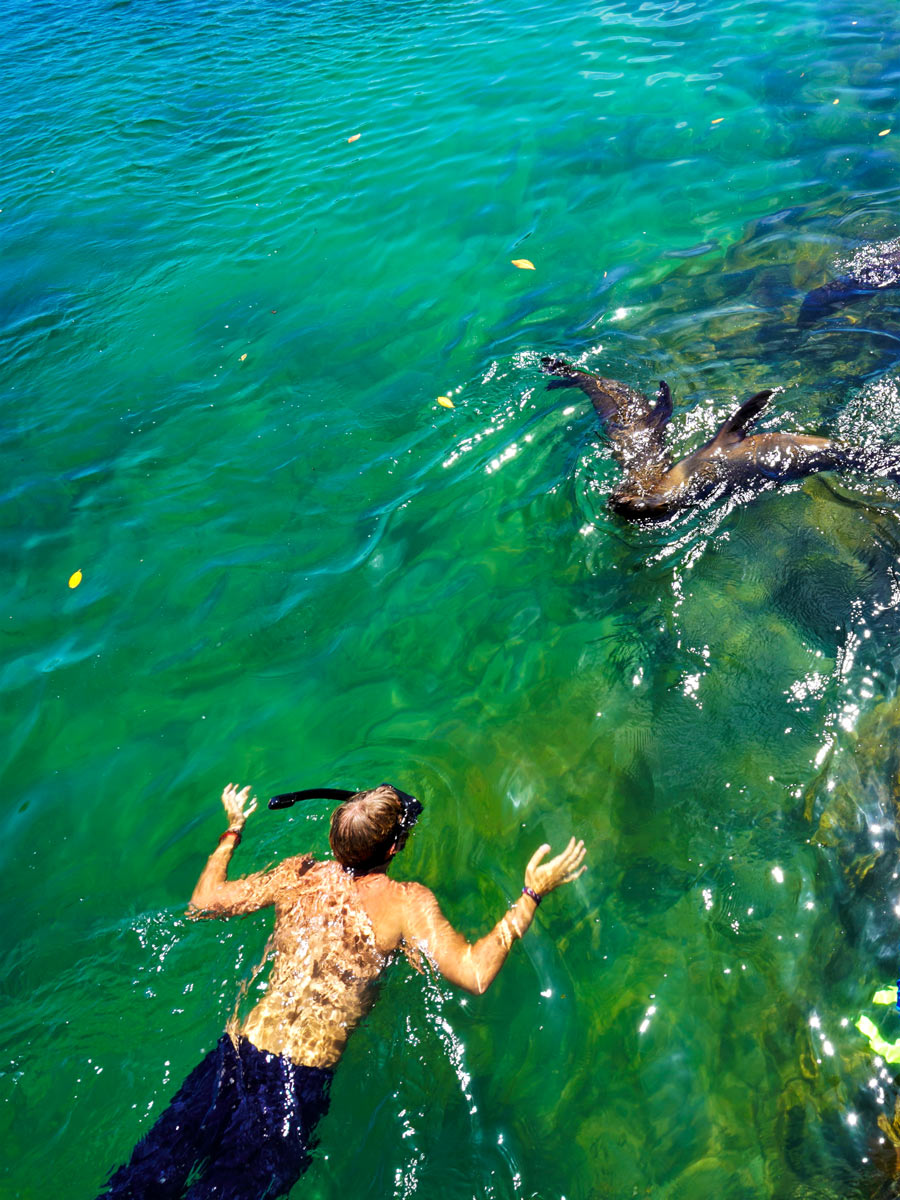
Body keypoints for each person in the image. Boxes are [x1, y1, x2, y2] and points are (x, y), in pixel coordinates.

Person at [98, 782, 587, 1199]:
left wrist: (232, 830)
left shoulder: (299, 874)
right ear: (393, 849)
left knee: (141, 1181)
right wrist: (530, 895)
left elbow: (203, 902)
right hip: (296, 1082)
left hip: (235, 1055)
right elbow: (476, 974)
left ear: (333, 840)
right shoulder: (405, 903)